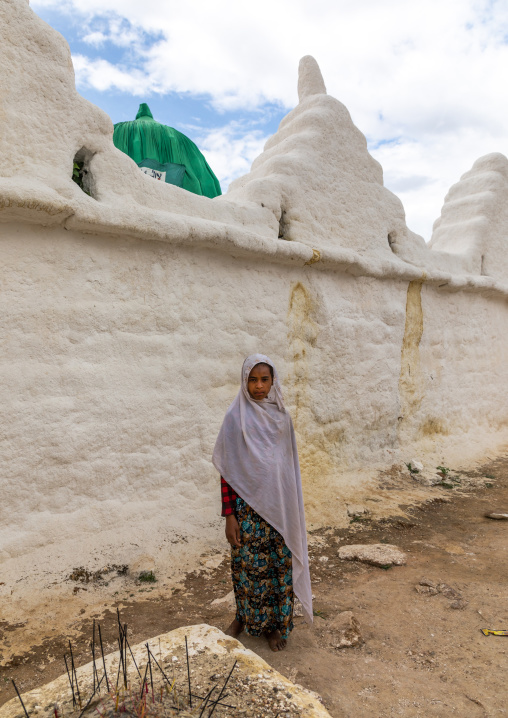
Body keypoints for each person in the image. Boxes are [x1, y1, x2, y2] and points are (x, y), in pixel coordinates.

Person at [212, 354, 312, 652]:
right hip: (246, 512)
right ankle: (243, 618)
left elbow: (287, 468)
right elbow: (227, 472)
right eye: (252, 380)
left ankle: (274, 627)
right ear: (244, 381)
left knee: (277, 568)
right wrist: (230, 515)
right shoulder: (235, 417)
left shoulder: (281, 417)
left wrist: (288, 507)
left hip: (279, 509)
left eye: (264, 379)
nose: (258, 386)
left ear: (273, 381)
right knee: (246, 570)